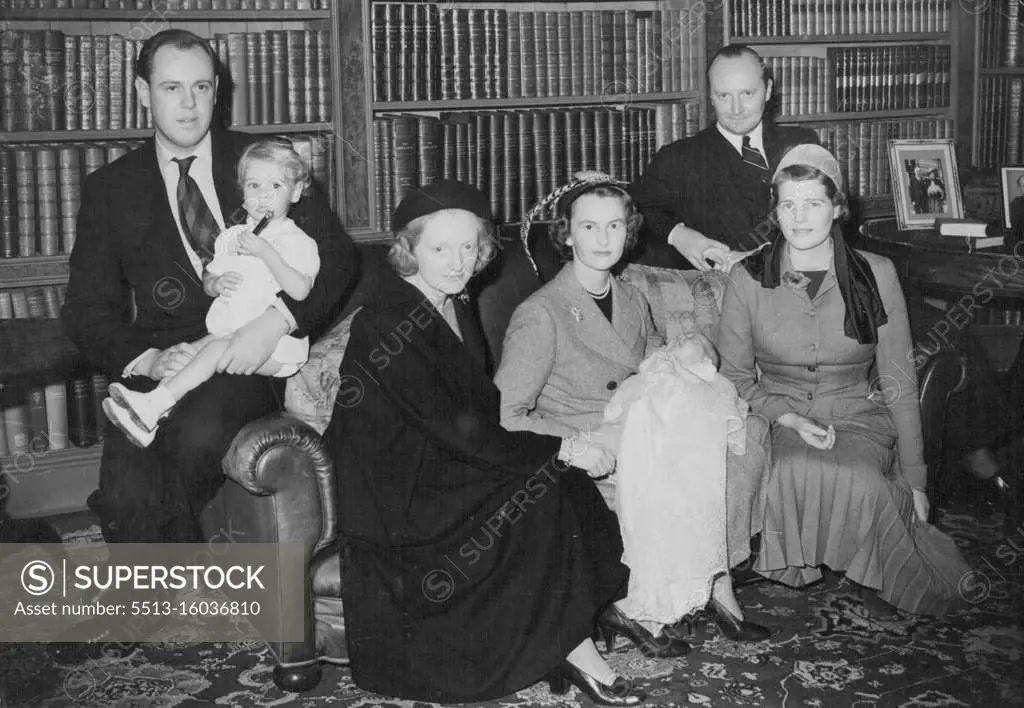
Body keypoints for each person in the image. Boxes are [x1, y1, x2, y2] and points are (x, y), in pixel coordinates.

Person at [324, 179, 645, 706]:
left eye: (468, 247)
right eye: (440, 248)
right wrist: (560, 447)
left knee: (563, 487)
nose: (456, 262)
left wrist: (553, 453)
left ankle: (570, 636)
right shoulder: (388, 319)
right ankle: (571, 645)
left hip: (441, 465)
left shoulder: (454, 303)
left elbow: (475, 419)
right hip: (400, 497)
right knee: (544, 490)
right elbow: (456, 428)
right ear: (410, 250)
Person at [61, 31, 356, 549]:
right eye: (172, 87)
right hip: (169, 355)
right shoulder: (109, 190)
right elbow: (86, 311)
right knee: (126, 486)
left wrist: (278, 321)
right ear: (142, 91)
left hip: (252, 355)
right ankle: (156, 601)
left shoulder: (265, 161)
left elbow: (338, 258)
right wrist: (148, 360)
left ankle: (169, 586)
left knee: (191, 438)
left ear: (217, 89)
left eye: (201, 87)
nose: (189, 104)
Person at [495, 172, 771, 653]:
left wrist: (696, 346)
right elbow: (506, 416)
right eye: (589, 227)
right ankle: (636, 608)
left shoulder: (630, 296)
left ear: (630, 232)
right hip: (595, 443)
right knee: (699, 455)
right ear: (565, 233)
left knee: (747, 432)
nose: (603, 239)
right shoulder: (542, 312)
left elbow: (655, 361)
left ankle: (715, 581)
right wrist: (576, 445)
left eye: (615, 226)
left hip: (644, 430)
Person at [716, 144, 971, 615]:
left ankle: (868, 564)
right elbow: (732, 379)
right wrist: (788, 417)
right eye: (787, 203)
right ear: (774, 210)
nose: (799, 216)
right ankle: (806, 563)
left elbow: (898, 379)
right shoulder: (746, 279)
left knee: (863, 480)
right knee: (791, 468)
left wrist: (917, 482)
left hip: (856, 414)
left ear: (837, 208)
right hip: (779, 418)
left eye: (813, 202)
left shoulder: (877, 273)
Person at [102, 139, 321, 447]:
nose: (264, 196)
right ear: (242, 193)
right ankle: (152, 412)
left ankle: (152, 406)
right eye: (254, 186)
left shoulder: (297, 241)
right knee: (189, 354)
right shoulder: (232, 236)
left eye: (276, 185)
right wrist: (215, 284)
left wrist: (267, 253)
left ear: (296, 192)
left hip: (276, 347)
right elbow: (210, 275)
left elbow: (300, 291)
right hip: (227, 331)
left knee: (213, 353)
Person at [629, 44, 819, 271]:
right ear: (710, 96)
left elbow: (826, 220)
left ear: (768, 90)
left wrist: (768, 258)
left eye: (747, 94)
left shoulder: (802, 145)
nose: (736, 109)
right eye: (724, 96)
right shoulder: (678, 158)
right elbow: (635, 207)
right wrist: (678, 235)